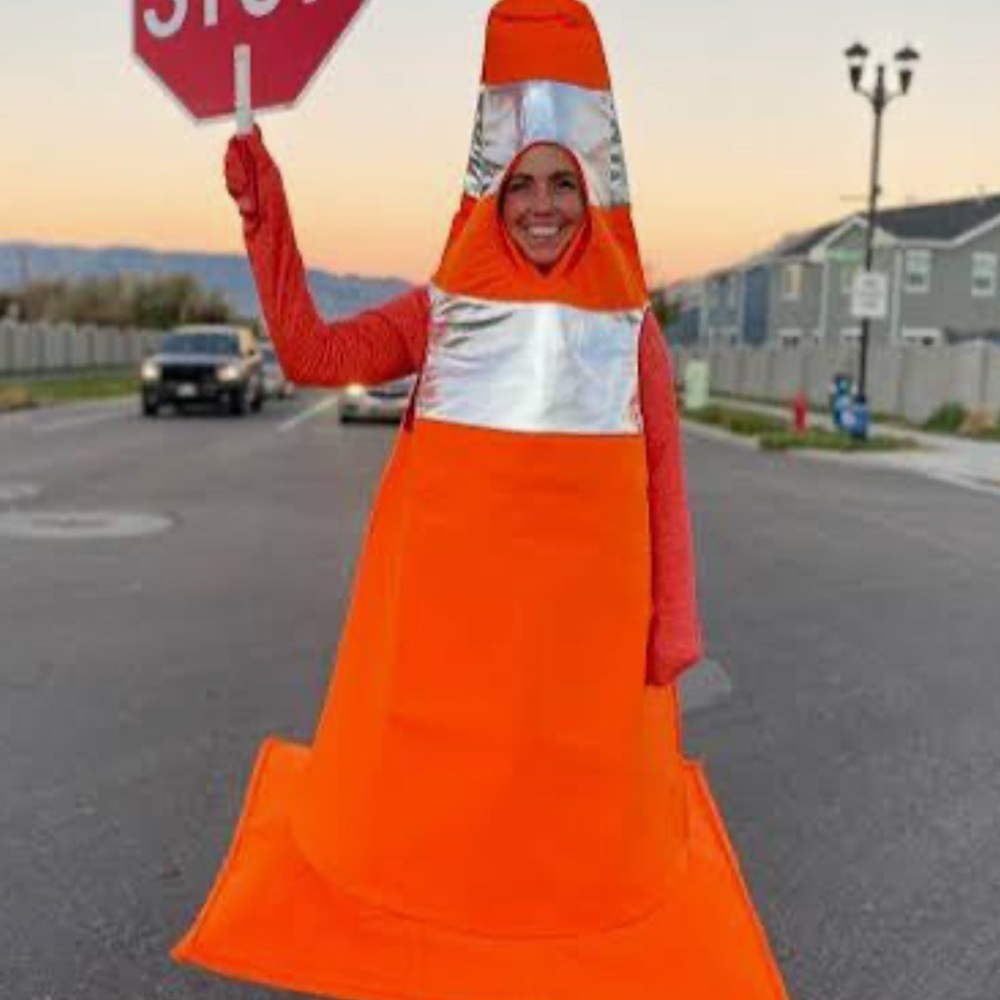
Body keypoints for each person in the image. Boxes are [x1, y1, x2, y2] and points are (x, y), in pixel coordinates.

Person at [172, 2, 790, 998]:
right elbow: (311, 355)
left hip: (580, 647)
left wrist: (670, 628)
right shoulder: (443, 311)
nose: (540, 205)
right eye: (521, 185)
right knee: (443, 826)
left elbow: (661, 482)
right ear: (487, 193)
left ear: (592, 193)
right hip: (451, 634)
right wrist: (262, 207)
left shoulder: (631, 331)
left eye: (561, 183)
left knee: (565, 851)